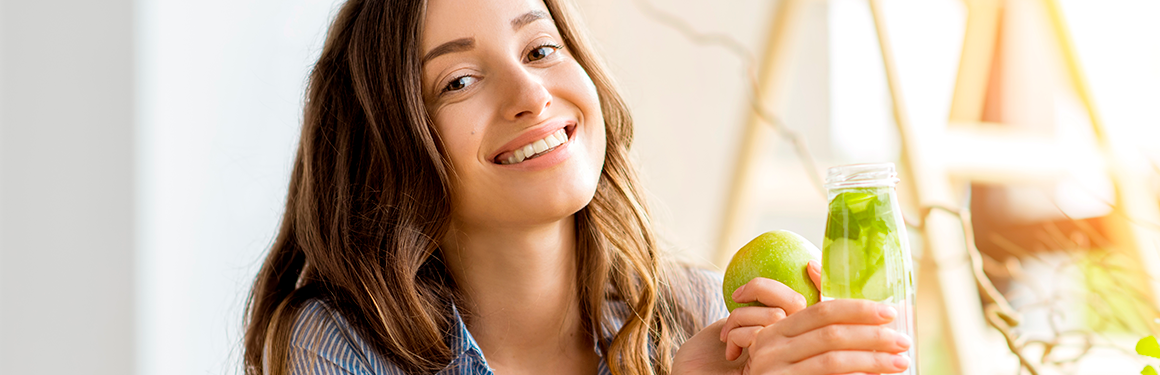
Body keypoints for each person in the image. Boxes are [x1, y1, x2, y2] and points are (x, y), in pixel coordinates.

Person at [241, 0, 912, 374]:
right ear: (387, 150)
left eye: (540, 50)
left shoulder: (705, 312)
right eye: (459, 81)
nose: (530, 93)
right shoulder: (337, 345)